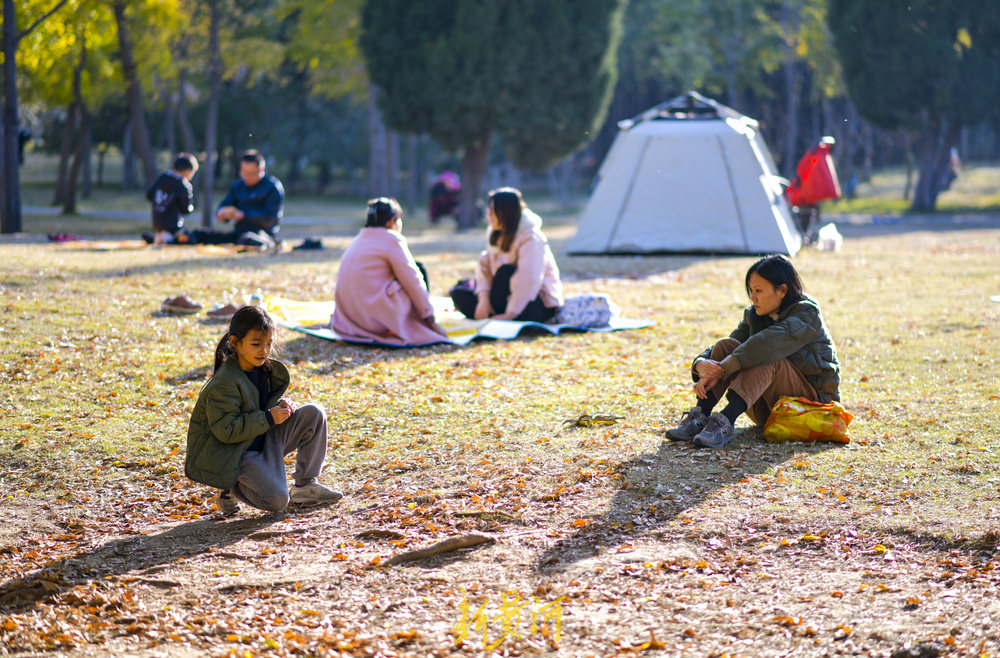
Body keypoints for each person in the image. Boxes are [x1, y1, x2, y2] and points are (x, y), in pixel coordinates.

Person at [665, 254, 840, 449]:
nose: (752, 297)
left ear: (782, 290)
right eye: (750, 290)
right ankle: (700, 416)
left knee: (767, 354)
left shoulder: (807, 314)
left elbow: (767, 344)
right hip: (769, 407)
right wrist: (701, 364)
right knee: (726, 345)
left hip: (809, 409)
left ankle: (726, 421)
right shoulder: (755, 314)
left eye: (758, 290)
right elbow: (729, 348)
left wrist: (723, 368)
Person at [186, 306, 343, 515]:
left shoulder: (262, 368)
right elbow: (226, 430)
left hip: (264, 438)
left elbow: (260, 404)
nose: (264, 351)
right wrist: (268, 418)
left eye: (268, 344)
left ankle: (305, 486)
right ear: (235, 342)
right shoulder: (224, 383)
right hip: (238, 453)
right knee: (277, 501)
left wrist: (282, 406)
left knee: (314, 413)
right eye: (256, 344)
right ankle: (230, 486)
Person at [331, 198, 449, 345]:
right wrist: (431, 320)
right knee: (419, 269)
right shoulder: (391, 238)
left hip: (349, 319)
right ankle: (420, 320)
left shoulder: (358, 239)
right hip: (374, 320)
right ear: (391, 221)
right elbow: (413, 280)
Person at [450, 187, 563, 323]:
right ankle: (491, 312)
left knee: (504, 272)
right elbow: (484, 266)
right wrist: (484, 299)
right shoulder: (495, 232)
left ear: (505, 212)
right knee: (458, 293)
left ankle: (503, 315)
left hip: (534, 302)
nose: (488, 216)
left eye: (492, 211)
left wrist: (510, 314)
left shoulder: (531, 237)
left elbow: (528, 280)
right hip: (503, 297)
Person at [193, 149, 285, 249]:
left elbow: (269, 219)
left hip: (262, 235)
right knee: (200, 234)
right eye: (244, 172)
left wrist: (242, 216)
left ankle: (268, 244)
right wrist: (223, 213)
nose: (247, 177)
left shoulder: (272, 187)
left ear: (262, 170)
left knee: (248, 239)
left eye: (252, 173)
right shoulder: (238, 185)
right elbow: (224, 205)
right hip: (238, 235)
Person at [143, 153, 199, 246]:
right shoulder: (184, 185)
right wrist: (191, 207)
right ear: (188, 170)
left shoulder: (162, 178)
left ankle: (157, 237)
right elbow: (185, 210)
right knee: (191, 241)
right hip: (173, 227)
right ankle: (169, 240)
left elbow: (149, 195)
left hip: (157, 224)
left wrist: (160, 204)